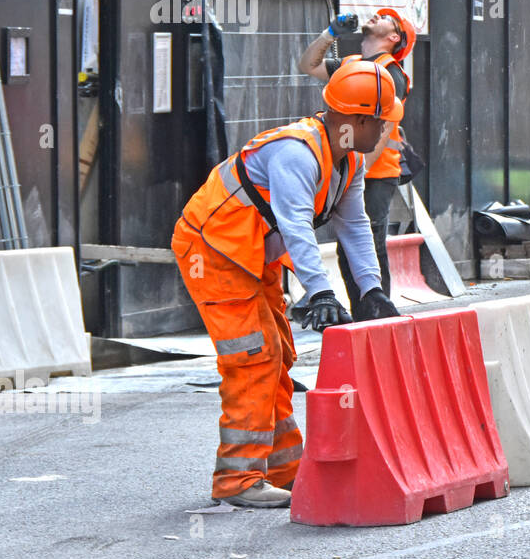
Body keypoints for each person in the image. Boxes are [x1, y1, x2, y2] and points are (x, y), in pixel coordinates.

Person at [170, 60, 404, 508]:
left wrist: (372, 290)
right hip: (214, 252)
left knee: (278, 354)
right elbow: (295, 223)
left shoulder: (347, 160)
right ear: (358, 120)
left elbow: (354, 225)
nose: (387, 132)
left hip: (249, 254)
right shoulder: (297, 154)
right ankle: (237, 480)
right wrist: (320, 292)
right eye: (383, 122)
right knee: (254, 357)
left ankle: (282, 470)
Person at [298, 9, 417, 311]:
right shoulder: (353, 65)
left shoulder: (390, 73)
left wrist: (354, 175)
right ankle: (365, 316)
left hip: (374, 173)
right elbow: (307, 64)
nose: (377, 16)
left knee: (367, 246)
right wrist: (330, 34)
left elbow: (383, 129)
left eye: (387, 18)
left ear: (394, 38)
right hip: (354, 170)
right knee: (349, 248)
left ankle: (376, 315)